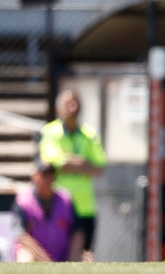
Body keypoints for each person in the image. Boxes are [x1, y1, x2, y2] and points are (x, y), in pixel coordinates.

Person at [39, 90, 107, 261]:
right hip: (59, 208)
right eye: (68, 103)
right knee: (57, 258)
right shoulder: (50, 131)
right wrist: (83, 164)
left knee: (83, 256)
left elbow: (100, 166)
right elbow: (53, 162)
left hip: (84, 207)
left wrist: (69, 162)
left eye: (76, 103)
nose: (73, 107)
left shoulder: (88, 134)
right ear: (58, 108)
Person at [12, 158, 84, 262]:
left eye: (51, 175)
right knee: (25, 256)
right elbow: (20, 234)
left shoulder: (65, 199)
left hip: (63, 255)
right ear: (34, 176)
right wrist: (42, 256)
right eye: (44, 174)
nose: (48, 179)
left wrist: (74, 254)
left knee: (86, 257)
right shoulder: (24, 200)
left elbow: (78, 231)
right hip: (34, 255)